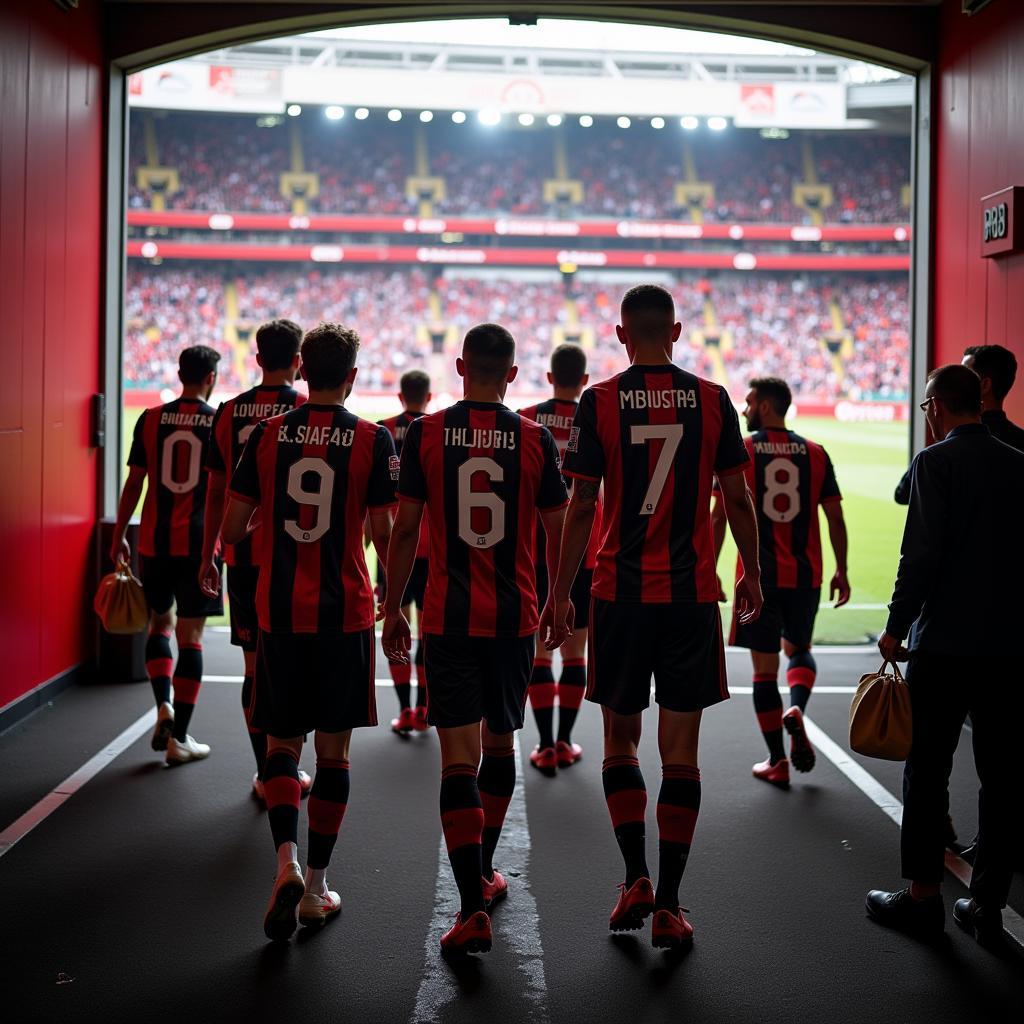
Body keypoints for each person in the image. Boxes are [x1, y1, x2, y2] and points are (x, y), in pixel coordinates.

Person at [542, 284, 763, 950]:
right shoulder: (712, 398)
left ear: (618, 334)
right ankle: (669, 902)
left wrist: (559, 592)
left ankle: (633, 875)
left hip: (618, 595)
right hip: (692, 596)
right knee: (682, 755)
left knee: (619, 743)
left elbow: (581, 507)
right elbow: (739, 498)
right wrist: (750, 570)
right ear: (677, 329)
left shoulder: (599, 400)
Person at [382, 324, 568, 957]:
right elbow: (557, 528)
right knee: (499, 745)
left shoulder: (426, 434)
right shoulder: (536, 439)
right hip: (513, 619)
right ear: (513, 375)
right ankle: (484, 873)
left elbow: (405, 531)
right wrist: (561, 596)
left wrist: (391, 608)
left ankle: (470, 906)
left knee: (456, 759)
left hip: (447, 618)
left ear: (461, 366)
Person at [220, 322, 397, 941]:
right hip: (344, 611)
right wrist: (395, 603)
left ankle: (285, 864)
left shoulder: (266, 437)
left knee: (281, 747)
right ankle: (318, 887)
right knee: (334, 754)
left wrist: (273, 510)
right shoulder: (372, 439)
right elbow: (383, 534)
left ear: (301, 368)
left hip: (278, 612)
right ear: (351, 375)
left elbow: (232, 532)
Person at [867, 364, 1024, 950]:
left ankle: (923, 899)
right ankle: (984, 906)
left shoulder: (933, 464)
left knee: (926, 770)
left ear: (935, 407)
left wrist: (893, 627)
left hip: (944, 646)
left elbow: (921, 556)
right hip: (1010, 649)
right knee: (1003, 778)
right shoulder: (1019, 464)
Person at [710, 377, 850, 789]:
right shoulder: (817, 453)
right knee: (800, 650)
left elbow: (721, 514)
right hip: (806, 575)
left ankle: (777, 760)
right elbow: (835, 518)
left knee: (763, 671)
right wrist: (842, 569)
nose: (744, 408)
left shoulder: (744, 450)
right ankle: (799, 710)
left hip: (758, 578)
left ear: (767, 406)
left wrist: (713, 568)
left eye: (750, 401)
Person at [198, 319, 312, 801]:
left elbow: (216, 491)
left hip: (243, 558)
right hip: (296, 557)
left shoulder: (227, 411)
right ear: (300, 362)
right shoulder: (308, 409)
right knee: (295, 663)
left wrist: (209, 555)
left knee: (253, 668)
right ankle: (290, 769)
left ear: (258, 359)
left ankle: (267, 773)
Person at [110, 345, 222, 766]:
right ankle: (181, 738)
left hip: (153, 544)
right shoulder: (216, 422)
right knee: (190, 637)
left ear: (179, 373)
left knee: (160, 623)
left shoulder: (151, 418)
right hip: (198, 545)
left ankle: (163, 706)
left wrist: (119, 533)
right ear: (210, 377)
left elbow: (133, 483)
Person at [519, 343, 600, 774]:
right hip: (583, 555)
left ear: (550, 377)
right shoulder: (595, 417)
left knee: (538, 654)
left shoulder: (527, 416)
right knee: (574, 653)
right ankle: (566, 741)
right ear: (584, 380)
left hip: (535, 551)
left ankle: (545, 743)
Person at [894, 343, 1023, 505]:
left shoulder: (937, 456)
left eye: (966, 372)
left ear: (984, 385)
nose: (957, 376)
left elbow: (903, 494)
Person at [377, 369, 432, 736]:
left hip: (393, 547)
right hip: (430, 548)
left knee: (397, 627)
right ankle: (426, 708)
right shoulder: (434, 430)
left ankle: (404, 711)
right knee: (427, 634)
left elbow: (374, 504)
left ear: (400, 397)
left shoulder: (382, 430)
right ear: (427, 398)